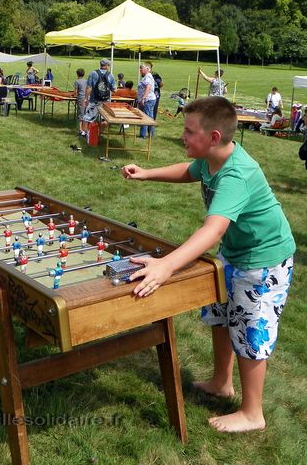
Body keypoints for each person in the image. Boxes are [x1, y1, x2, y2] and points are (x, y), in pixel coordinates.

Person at [121, 96, 295, 433]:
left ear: (214, 136)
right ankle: (221, 381)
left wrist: (166, 266)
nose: (183, 136)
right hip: (234, 253)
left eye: (189, 131)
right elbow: (189, 171)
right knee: (221, 317)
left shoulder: (236, 174)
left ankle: (252, 412)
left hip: (263, 261)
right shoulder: (209, 159)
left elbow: (213, 229)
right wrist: (147, 174)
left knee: (250, 330)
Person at [80, 59, 116, 139]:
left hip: (94, 99)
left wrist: (86, 98)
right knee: (105, 120)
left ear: (100, 64)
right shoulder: (110, 75)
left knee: (87, 117)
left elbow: (89, 87)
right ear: (107, 66)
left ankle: (86, 133)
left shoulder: (93, 73)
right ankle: (98, 134)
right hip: (106, 101)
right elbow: (114, 89)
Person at [137, 62, 156, 139]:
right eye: (140, 68)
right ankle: (151, 134)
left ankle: (142, 135)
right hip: (150, 99)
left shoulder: (148, 77)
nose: (140, 70)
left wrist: (143, 98)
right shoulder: (147, 76)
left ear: (147, 69)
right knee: (150, 117)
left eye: (142, 68)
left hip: (148, 100)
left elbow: (148, 87)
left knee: (145, 117)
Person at [147, 61, 163, 137]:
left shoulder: (155, 75)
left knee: (152, 112)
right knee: (150, 112)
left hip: (154, 95)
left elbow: (161, 84)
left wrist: (155, 87)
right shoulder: (146, 75)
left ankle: (151, 131)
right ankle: (149, 129)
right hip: (151, 95)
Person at [72, 68, 87, 137]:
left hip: (81, 98)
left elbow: (75, 92)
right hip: (87, 98)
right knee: (85, 113)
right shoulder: (87, 81)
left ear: (77, 74)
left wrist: (72, 94)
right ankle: (85, 129)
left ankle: (81, 130)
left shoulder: (77, 81)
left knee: (81, 114)